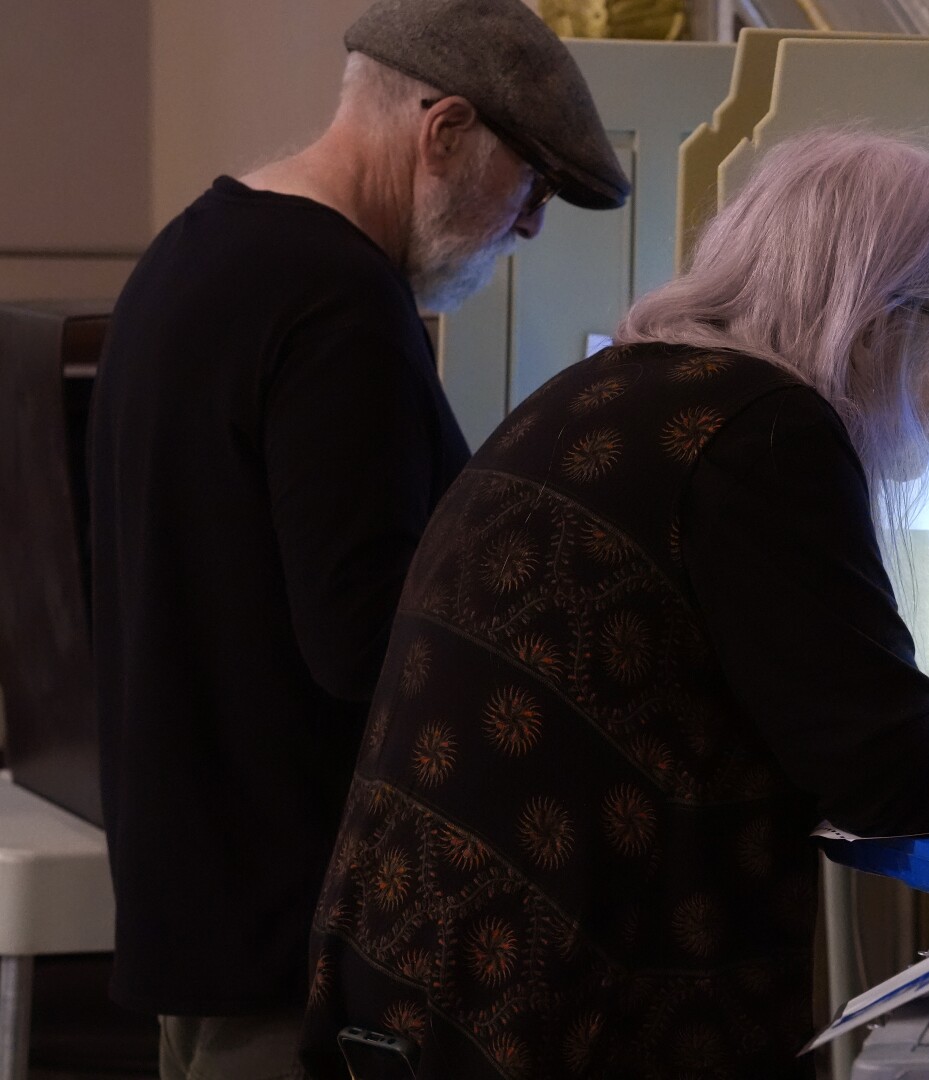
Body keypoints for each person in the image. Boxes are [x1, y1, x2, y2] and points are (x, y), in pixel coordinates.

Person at [299, 127, 929, 1079]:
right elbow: (890, 773)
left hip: (422, 979)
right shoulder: (765, 433)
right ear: (882, 314)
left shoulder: (611, 390)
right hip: (568, 1019)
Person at [87, 1, 629, 1077]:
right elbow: (369, 642)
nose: (527, 227)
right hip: (297, 941)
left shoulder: (193, 250)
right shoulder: (339, 305)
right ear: (444, 131)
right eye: (528, 187)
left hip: (195, 904)